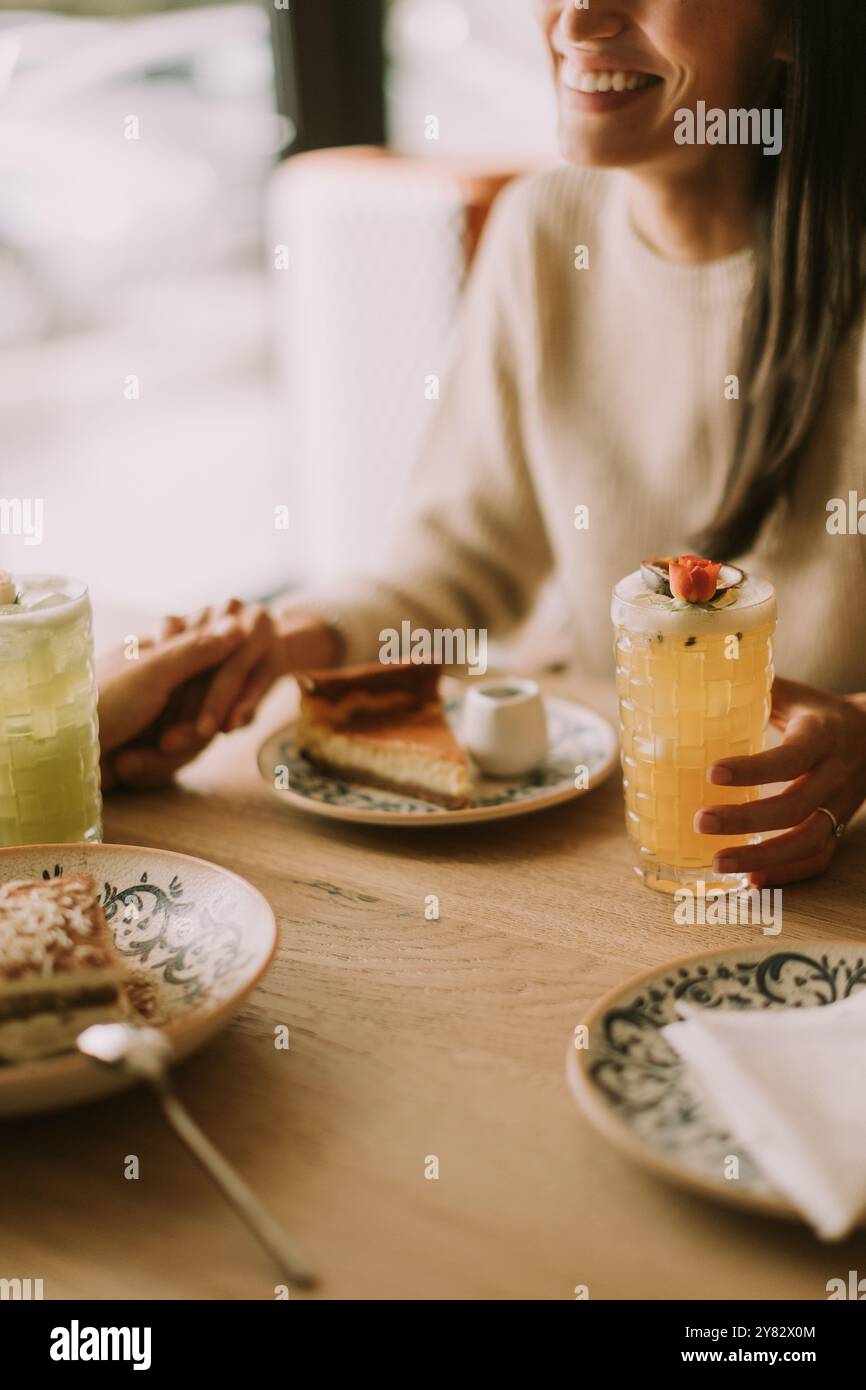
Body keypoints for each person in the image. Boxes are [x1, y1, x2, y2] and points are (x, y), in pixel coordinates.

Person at [98, 0, 866, 889]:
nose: (579, 17)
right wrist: (261, 652)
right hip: (613, 850)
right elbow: (453, 575)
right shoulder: (546, 229)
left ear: (796, 24)